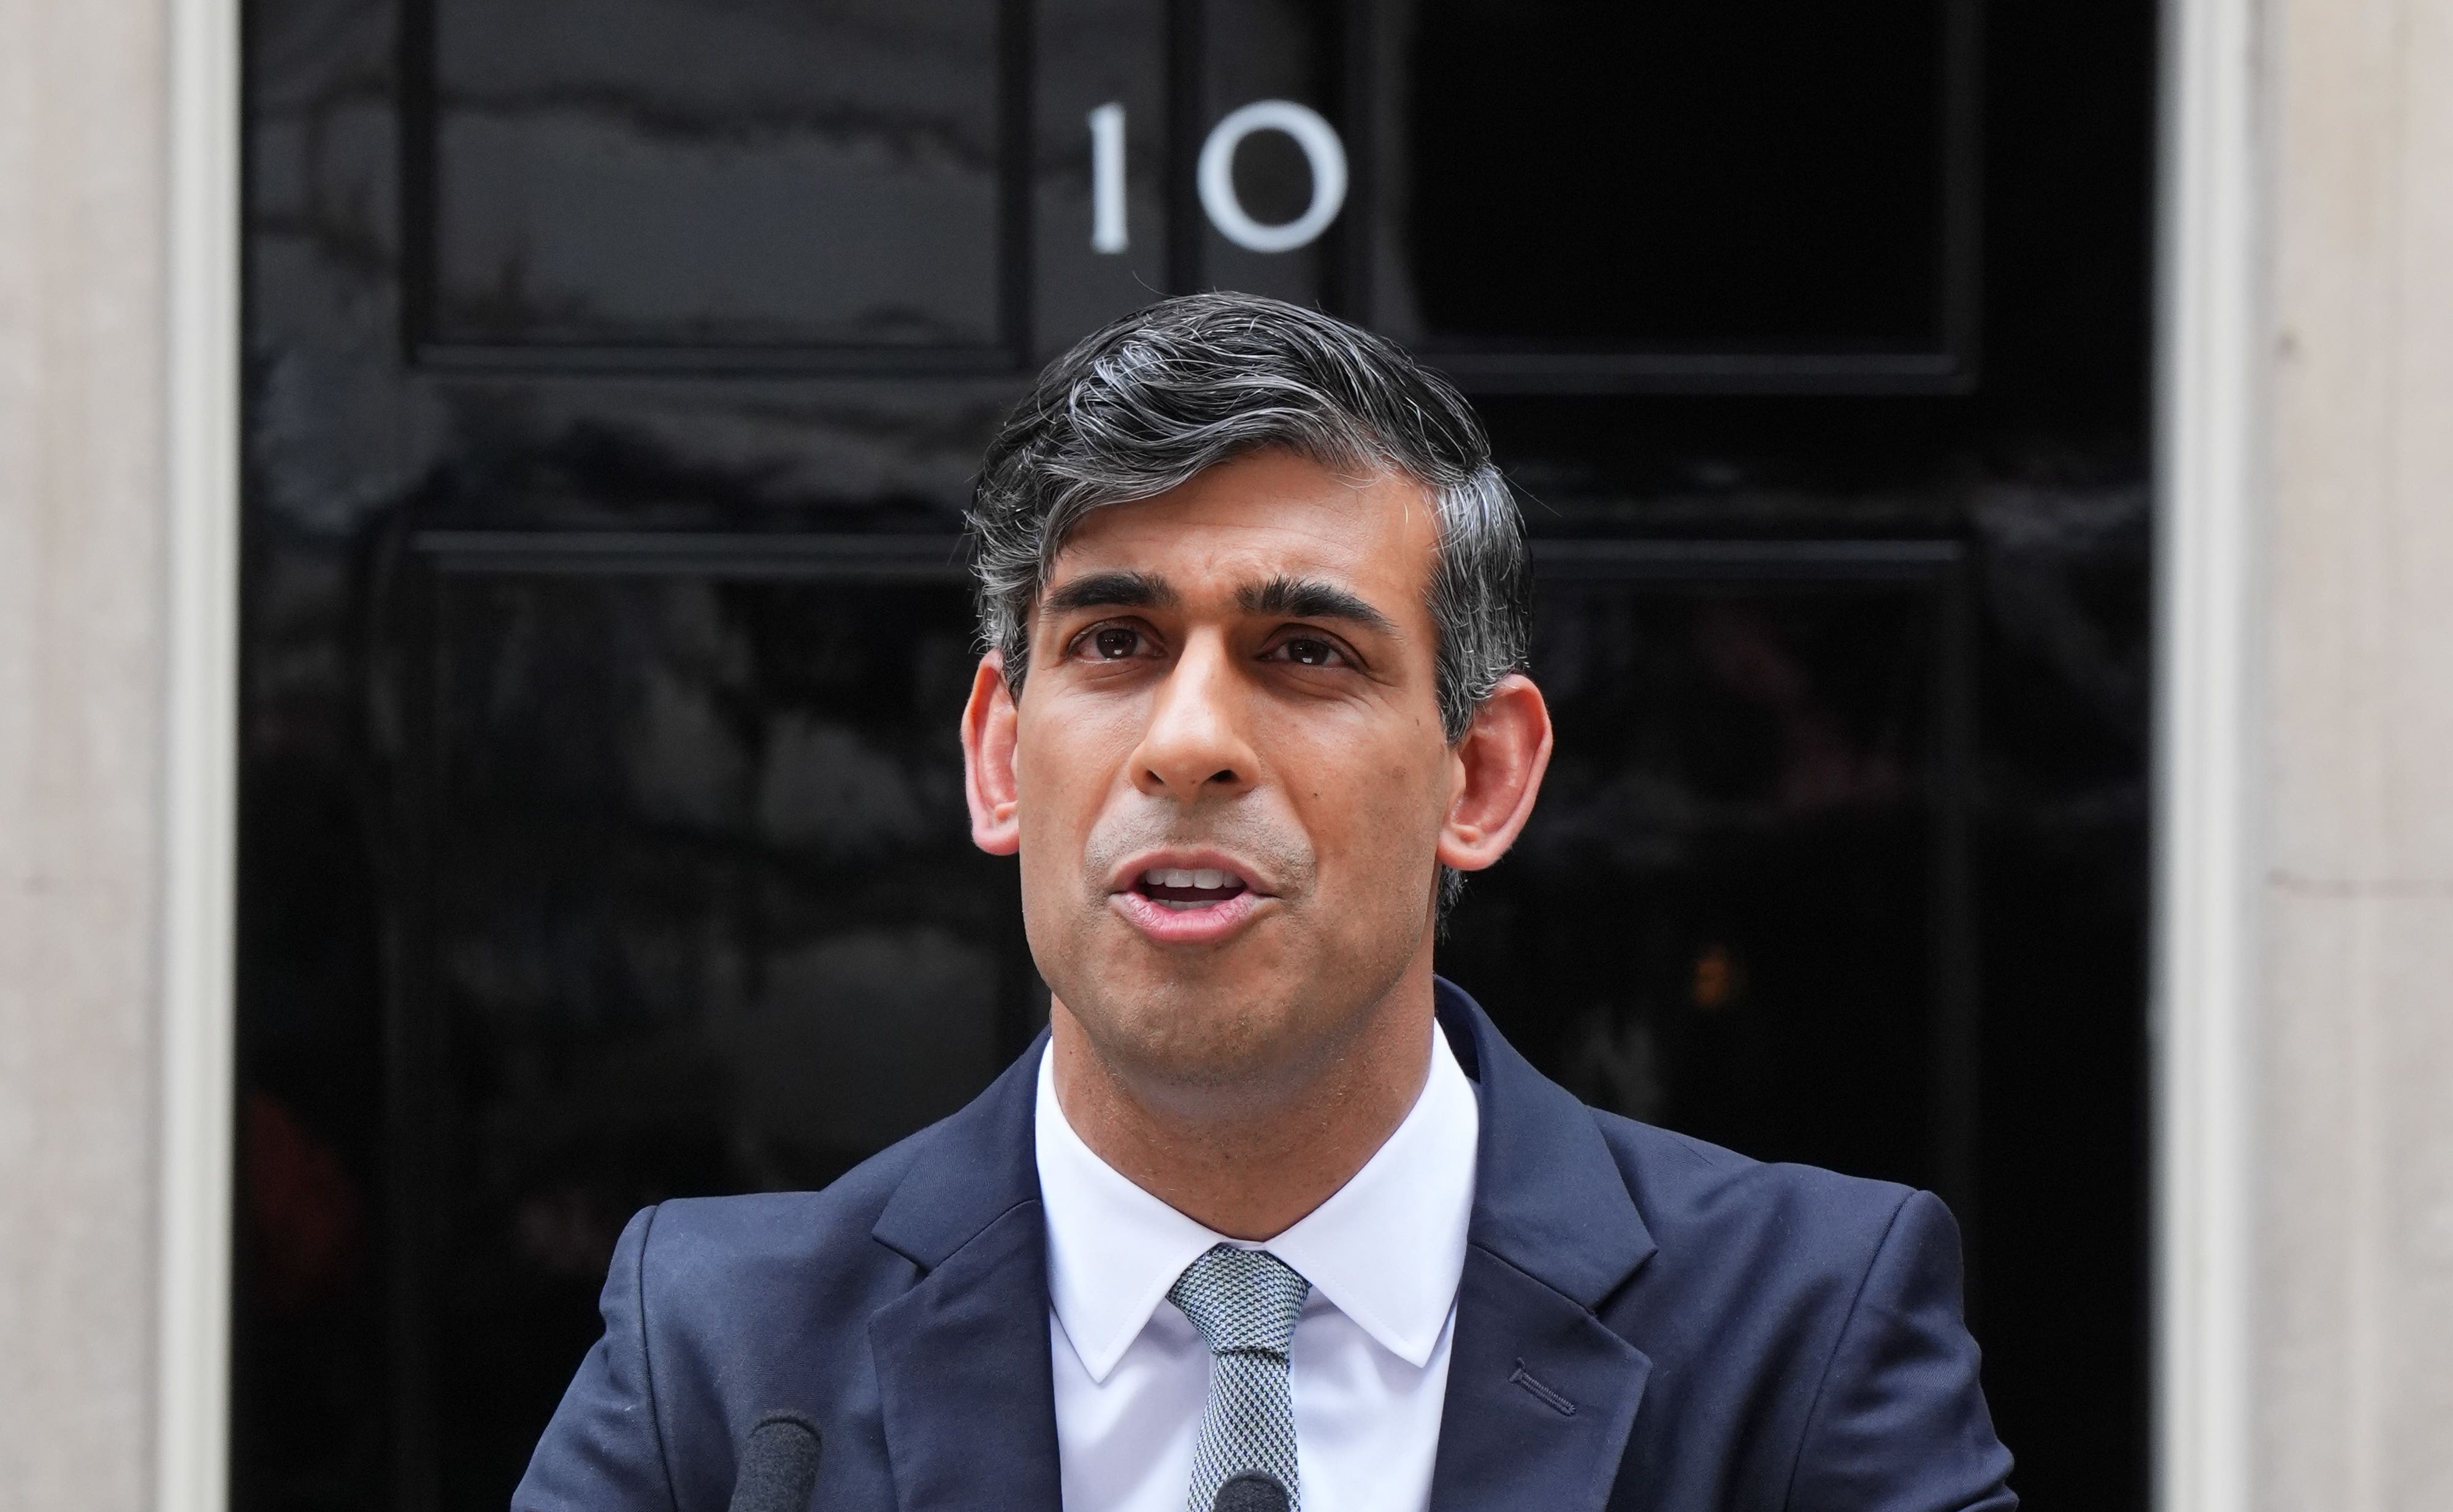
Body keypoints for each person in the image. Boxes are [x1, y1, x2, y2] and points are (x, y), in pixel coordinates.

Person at [514, 294, 2016, 1512]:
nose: (1186, 740)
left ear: (1477, 777)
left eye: (1304, 651)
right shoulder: (718, 1359)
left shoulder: (1799, 1333)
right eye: (1113, 641)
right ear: (996, 759)